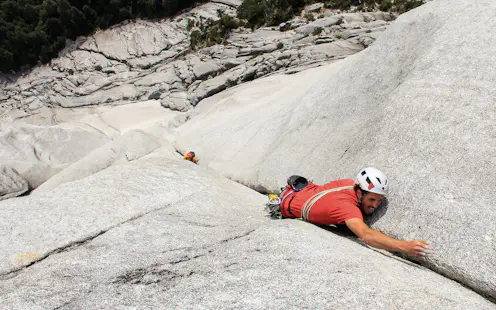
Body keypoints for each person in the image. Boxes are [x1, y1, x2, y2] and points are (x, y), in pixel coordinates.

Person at [279, 167, 434, 257]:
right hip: (289, 203)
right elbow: (366, 235)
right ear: (359, 193)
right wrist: (405, 246)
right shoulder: (346, 208)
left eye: (379, 200)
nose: (376, 206)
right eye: (372, 200)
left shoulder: (349, 183)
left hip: (305, 191)